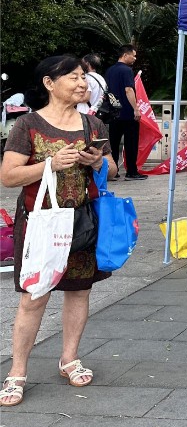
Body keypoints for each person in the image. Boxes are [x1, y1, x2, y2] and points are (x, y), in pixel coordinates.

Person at [0, 55, 114, 407]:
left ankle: (69, 358)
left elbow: (111, 167)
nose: (82, 83)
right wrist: (49, 164)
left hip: (82, 221)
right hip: (40, 223)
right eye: (73, 77)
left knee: (79, 292)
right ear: (49, 84)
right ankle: (17, 372)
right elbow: (8, 176)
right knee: (34, 297)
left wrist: (98, 161)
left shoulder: (93, 124)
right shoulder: (28, 125)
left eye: (82, 77)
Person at [104, 45, 145, 180]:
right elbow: (129, 90)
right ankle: (132, 171)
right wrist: (136, 109)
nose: (135, 58)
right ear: (125, 55)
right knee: (131, 143)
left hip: (113, 112)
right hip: (127, 112)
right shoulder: (126, 70)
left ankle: (113, 171)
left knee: (113, 143)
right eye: (133, 55)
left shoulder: (109, 70)